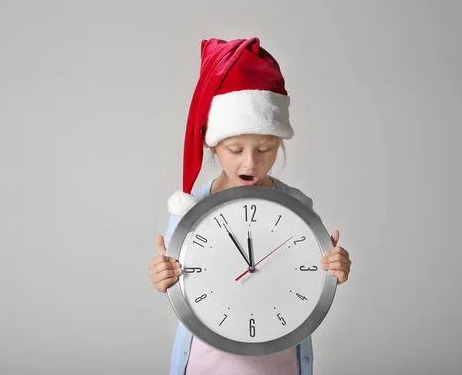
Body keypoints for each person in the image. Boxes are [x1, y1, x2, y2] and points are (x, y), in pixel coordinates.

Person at [148, 37, 352, 375]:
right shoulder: (190, 208)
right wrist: (162, 278)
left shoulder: (298, 205)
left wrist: (332, 270)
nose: (251, 162)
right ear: (214, 146)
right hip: (207, 362)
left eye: (264, 149)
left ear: (278, 146)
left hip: (278, 362)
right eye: (235, 149)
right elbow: (180, 289)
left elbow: (309, 276)